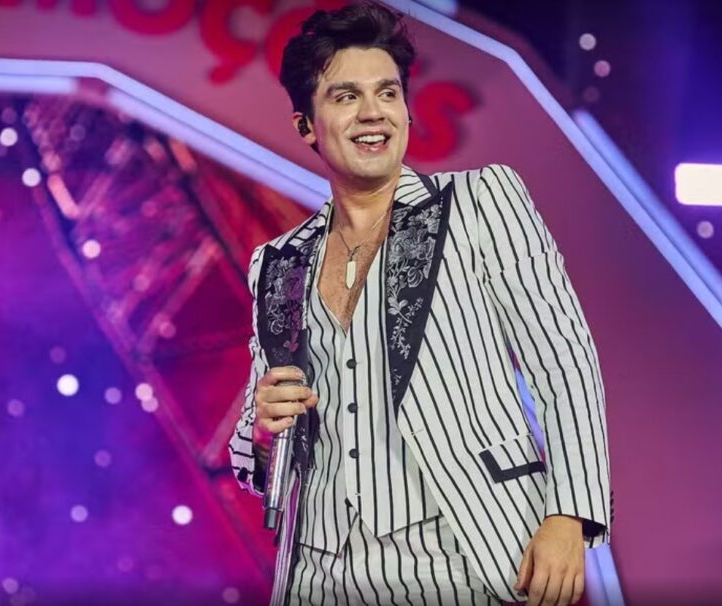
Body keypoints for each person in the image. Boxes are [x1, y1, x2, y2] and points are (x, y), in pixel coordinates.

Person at [229, 3, 612, 604]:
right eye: (346, 96)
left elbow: (564, 360)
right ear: (306, 125)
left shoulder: (481, 201)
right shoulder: (278, 261)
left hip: (466, 554)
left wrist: (568, 514)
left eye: (387, 92)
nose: (373, 112)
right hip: (319, 570)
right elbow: (263, 425)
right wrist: (259, 428)